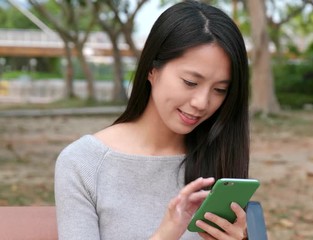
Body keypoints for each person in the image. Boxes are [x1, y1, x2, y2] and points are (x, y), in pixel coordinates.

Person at [54, 1, 250, 239]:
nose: (202, 102)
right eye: (190, 82)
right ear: (151, 70)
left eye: (219, 90)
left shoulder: (220, 155)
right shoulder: (83, 163)